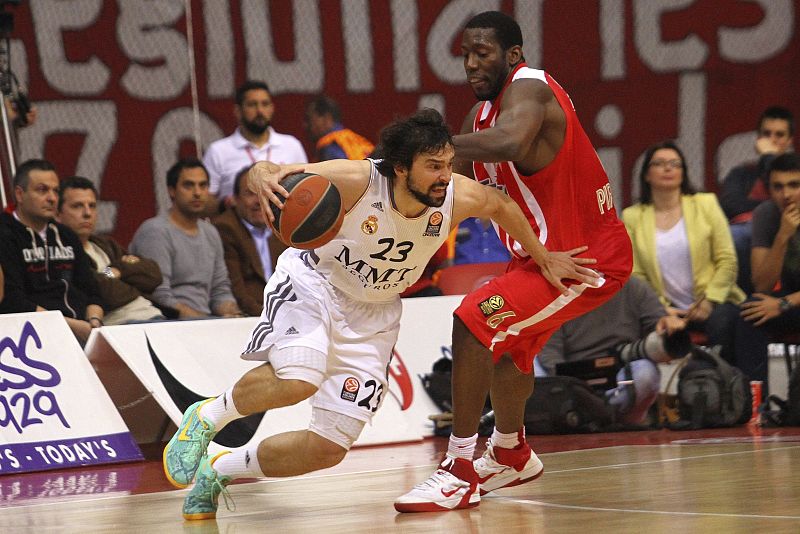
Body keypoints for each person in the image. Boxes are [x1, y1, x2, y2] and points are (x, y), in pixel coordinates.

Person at [162, 109, 598, 520]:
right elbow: (271, 174)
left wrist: (543, 257)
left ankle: (219, 469)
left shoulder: (457, 196)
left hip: (375, 314)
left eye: (449, 163)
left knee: (328, 448)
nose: (445, 176)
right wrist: (261, 176)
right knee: (300, 377)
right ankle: (206, 416)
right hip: (316, 285)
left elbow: (503, 207)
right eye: (433, 166)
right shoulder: (358, 179)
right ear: (401, 167)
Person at [395, 11, 632, 512]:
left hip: (584, 259)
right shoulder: (477, 119)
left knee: (472, 322)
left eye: (482, 53)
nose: (471, 64)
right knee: (507, 351)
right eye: (465, 54)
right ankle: (510, 451)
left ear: (513, 56)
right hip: (539, 261)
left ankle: (458, 469)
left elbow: (509, 143)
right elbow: (441, 184)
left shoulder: (531, 88)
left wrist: (428, 149)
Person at [623, 141, 743, 361]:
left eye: (675, 164)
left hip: (712, 304)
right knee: (632, 324)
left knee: (726, 320)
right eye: (659, 163)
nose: (668, 168)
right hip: (663, 308)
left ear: (683, 173)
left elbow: (727, 261)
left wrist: (709, 302)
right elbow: (635, 274)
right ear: (647, 175)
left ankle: (720, 384)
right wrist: (660, 310)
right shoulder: (632, 216)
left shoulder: (706, 203)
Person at [538, 277, 690, 425]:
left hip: (621, 373)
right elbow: (549, 352)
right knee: (529, 366)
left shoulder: (634, 286)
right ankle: (590, 414)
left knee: (646, 373)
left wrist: (669, 325)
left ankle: (619, 419)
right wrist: (571, 387)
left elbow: (658, 329)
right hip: (571, 378)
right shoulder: (557, 291)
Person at [0, 159, 104, 344]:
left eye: (55, 191)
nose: (52, 198)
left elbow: (93, 288)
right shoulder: (6, 234)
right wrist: (114, 273)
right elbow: (11, 300)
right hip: (34, 334)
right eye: (42, 190)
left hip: (88, 325)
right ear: (19, 194)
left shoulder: (91, 242)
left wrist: (94, 322)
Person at [130, 158, 242, 319]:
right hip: (164, 324)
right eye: (188, 185)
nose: (197, 192)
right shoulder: (155, 231)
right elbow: (159, 297)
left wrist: (231, 312)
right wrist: (207, 322)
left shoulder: (211, 232)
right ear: (171, 191)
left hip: (205, 322)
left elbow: (220, 289)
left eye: (203, 185)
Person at [57, 176, 164, 325]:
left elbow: (154, 274)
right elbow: (103, 291)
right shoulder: (62, 252)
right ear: (57, 214)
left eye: (92, 206)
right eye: (77, 206)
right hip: (122, 324)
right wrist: (132, 281)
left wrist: (116, 270)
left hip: (155, 316)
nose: (87, 213)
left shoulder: (104, 244)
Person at [735, 152, 800, 390]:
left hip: (791, 301)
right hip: (793, 301)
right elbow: (762, 284)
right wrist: (782, 236)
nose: (786, 194)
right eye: (778, 187)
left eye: (794, 185)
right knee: (752, 310)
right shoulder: (767, 214)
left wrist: (782, 304)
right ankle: (752, 400)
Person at [203, 80, 307, 214]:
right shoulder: (218, 151)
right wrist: (227, 204)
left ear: (272, 108)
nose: (260, 111)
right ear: (238, 111)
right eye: (252, 105)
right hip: (236, 232)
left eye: (265, 104)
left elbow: (306, 188)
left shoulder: (292, 145)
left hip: (284, 230)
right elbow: (205, 203)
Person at [720, 106, 794, 293]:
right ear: (758, 138)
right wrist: (766, 207)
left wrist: (769, 157)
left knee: (738, 236)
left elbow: (784, 203)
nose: (772, 139)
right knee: (731, 235)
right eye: (766, 134)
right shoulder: (741, 173)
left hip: (784, 227)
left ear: (789, 140)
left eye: (779, 134)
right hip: (745, 229)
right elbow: (730, 205)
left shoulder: (796, 174)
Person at [212, 166, 287, 316]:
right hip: (250, 317)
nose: (259, 201)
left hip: (285, 315)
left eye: (265, 193)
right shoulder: (225, 228)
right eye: (250, 193)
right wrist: (270, 317)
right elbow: (236, 290)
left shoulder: (284, 226)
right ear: (235, 199)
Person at [304, 95, 375, 161]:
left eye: (310, 119)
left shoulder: (330, 144)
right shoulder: (355, 139)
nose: (306, 125)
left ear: (326, 118)